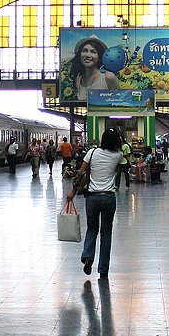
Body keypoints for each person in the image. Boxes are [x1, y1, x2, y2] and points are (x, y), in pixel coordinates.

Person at [66, 128, 125, 282]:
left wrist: (72, 193)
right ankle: (103, 269)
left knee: (92, 229)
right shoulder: (119, 155)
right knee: (106, 233)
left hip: (92, 198)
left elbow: (80, 174)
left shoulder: (91, 153)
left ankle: (87, 257)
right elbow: (119, 169)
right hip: (108, 198)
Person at [67, 36, 121, 102]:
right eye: (85, 51)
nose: (87, 55)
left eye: (93, 52)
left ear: (99, 57)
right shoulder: (78, 80)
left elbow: (119, 102)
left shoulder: (108, 77)